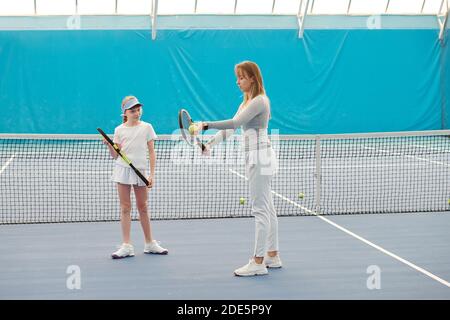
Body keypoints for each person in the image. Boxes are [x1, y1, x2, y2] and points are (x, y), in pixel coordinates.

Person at [193, 61, 282, 276]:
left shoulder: (260, 101)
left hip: (260, 157)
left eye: (241, 77)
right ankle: (272, 254)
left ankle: (258, 262)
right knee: (268, 207)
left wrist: (205, 124)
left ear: (252, 78)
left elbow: (234, 123)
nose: (237, 81)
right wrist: (209, 144)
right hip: (257, 156)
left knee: (260, 210)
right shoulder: (246, 102)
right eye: (237, 77)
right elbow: (232, 130)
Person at [104, 95, 168, 259]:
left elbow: (152, 153)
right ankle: (126, 246)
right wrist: (111, 146)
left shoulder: (147, 127)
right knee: (125, 207)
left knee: (143, 207)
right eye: (133, 110)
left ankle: (149, 243)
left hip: (141, 171)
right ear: (125, 112)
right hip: (123, 170)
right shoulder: (119, 130)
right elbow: (115, 155)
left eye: (138, 109)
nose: (137, 113)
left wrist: (151, 174)